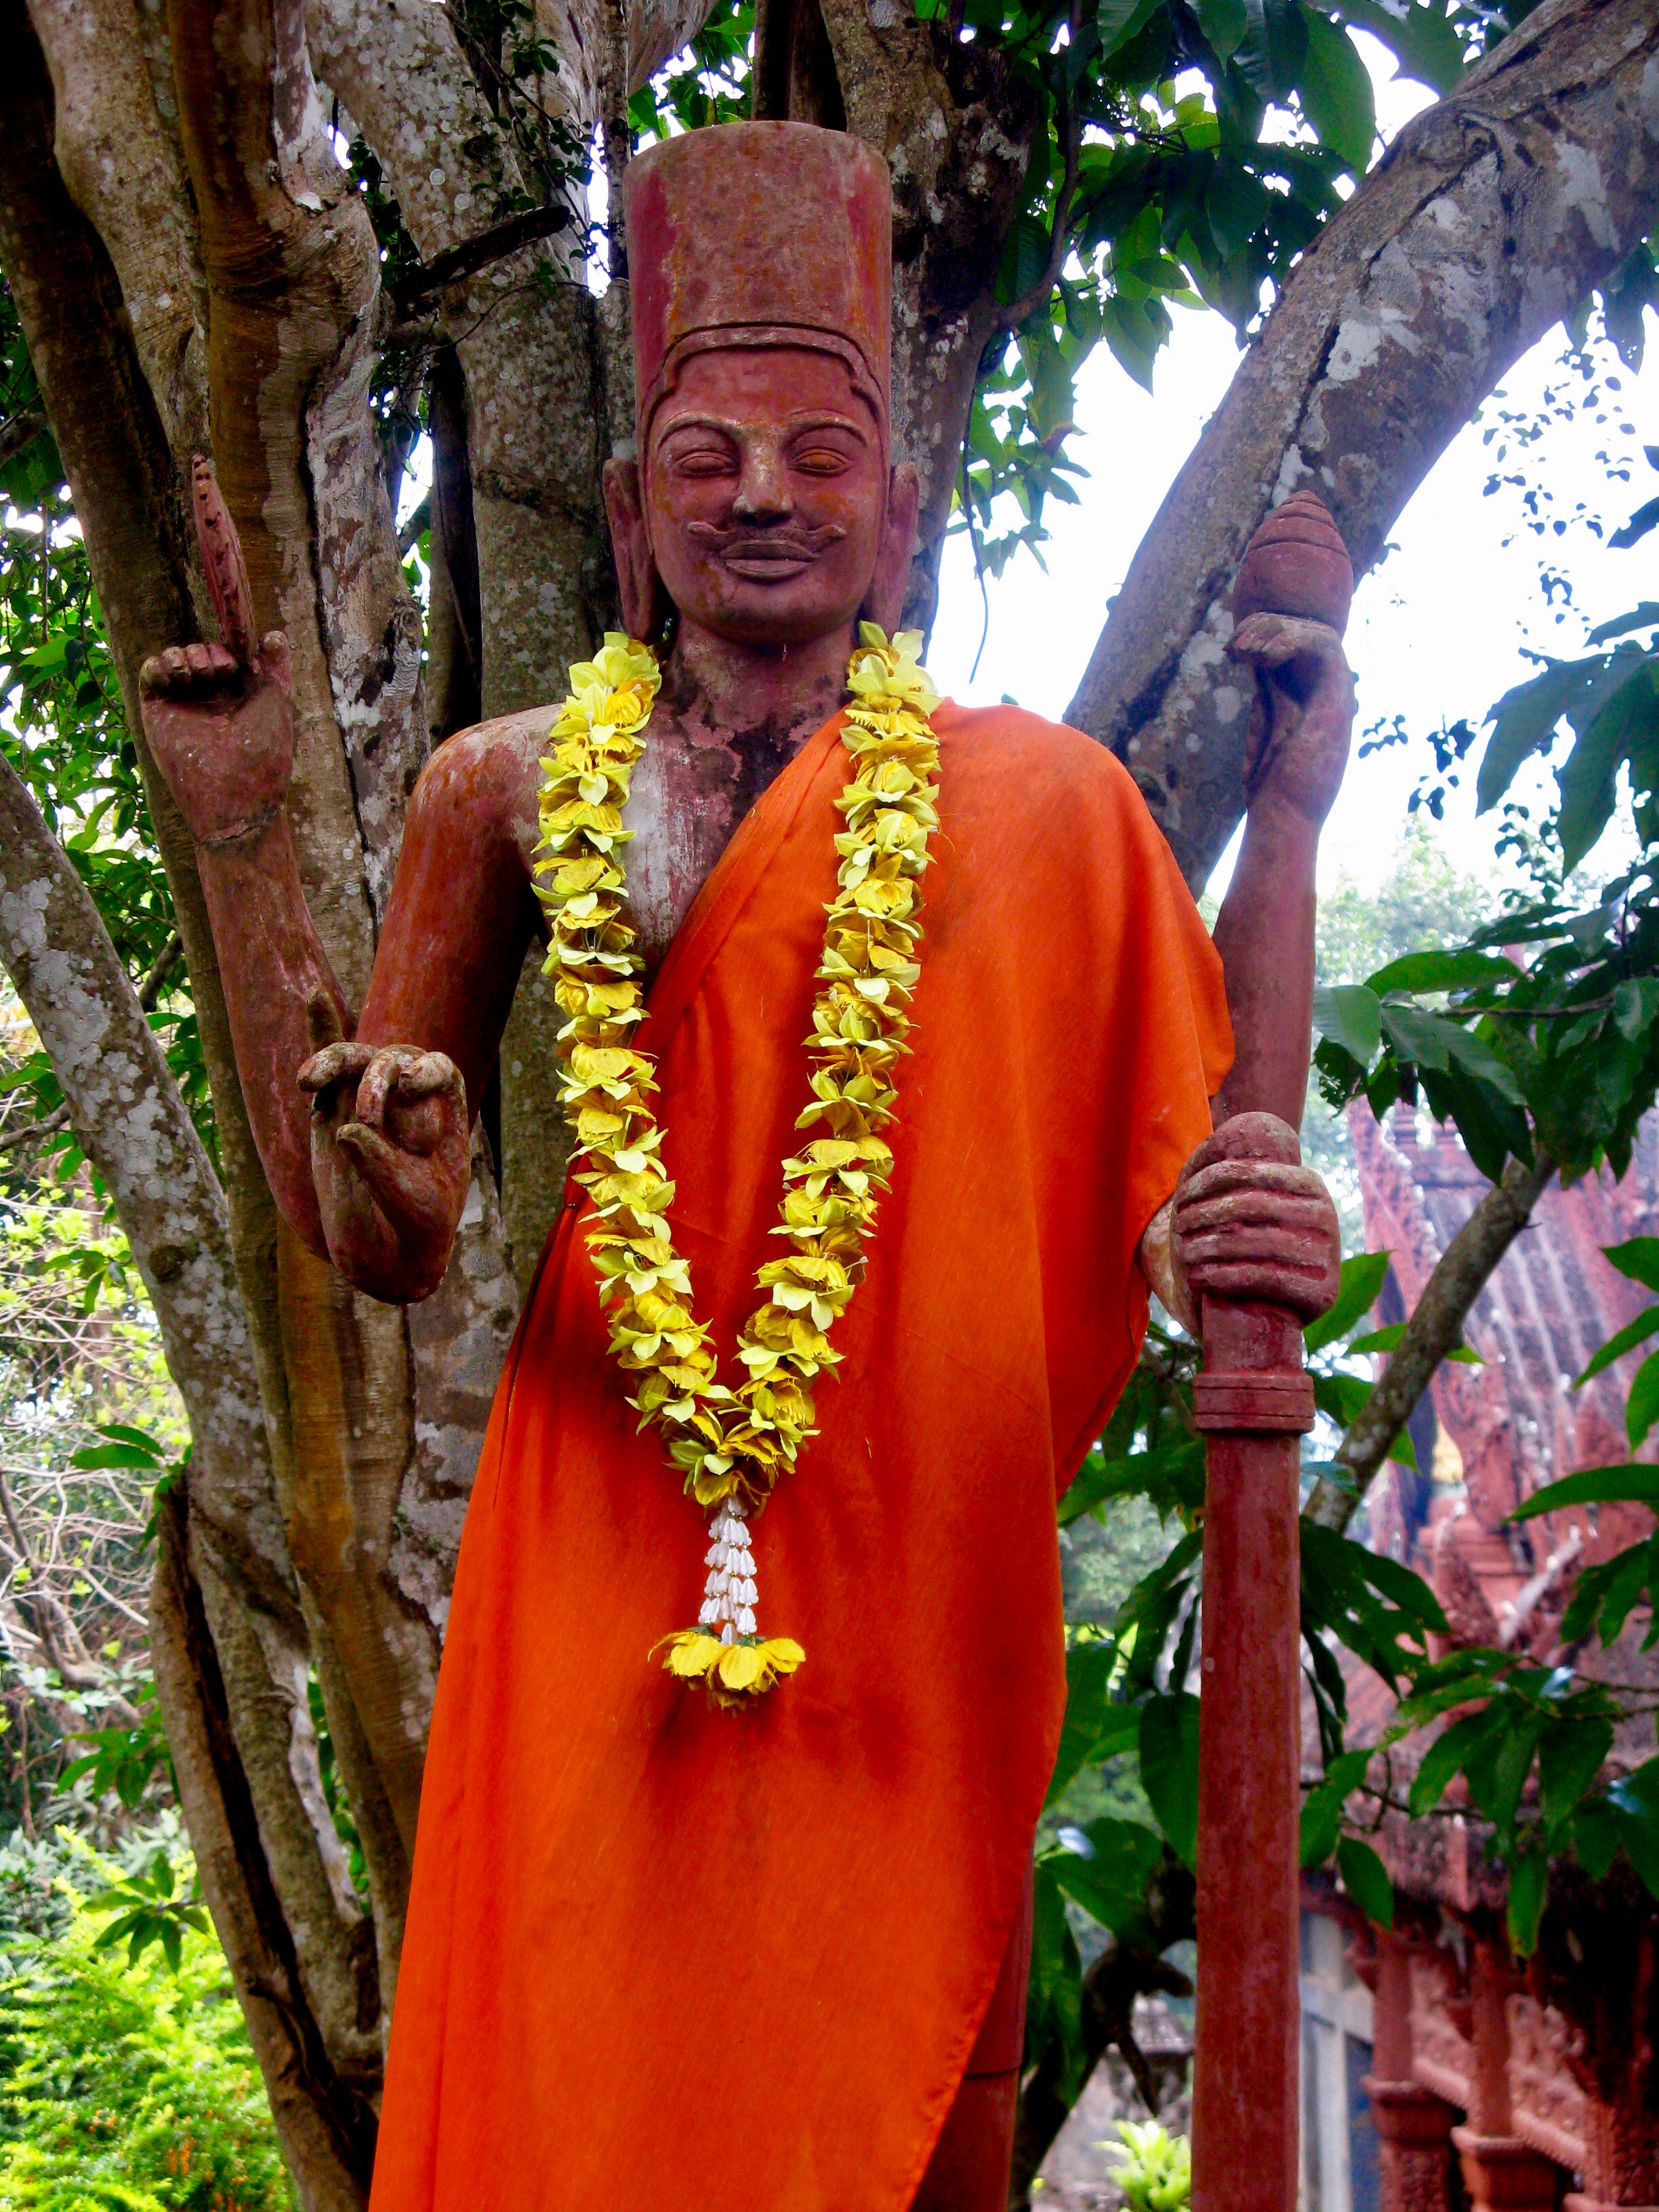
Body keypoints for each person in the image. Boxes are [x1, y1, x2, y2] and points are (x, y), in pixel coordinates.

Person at [140, 121, 1345, 2212]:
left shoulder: (1041, 810)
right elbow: (372, 1233)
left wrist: (1299, 840)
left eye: (817, 456)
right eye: (706, 459)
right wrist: (254, 863)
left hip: (903, 1556)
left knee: (897, 2104)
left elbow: (1202, 1182)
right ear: (629, 512)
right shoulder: (498, 786)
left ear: (903, 512)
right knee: (578, 2088)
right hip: (595, 1533)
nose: (765, 498)